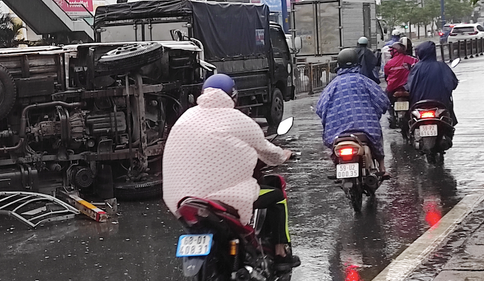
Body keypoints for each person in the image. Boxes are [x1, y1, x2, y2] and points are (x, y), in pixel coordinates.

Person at [162, 73, 299, 269]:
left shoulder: (186, 117)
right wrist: (284, 155)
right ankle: (280, 251)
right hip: (223, 198)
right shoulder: (238, 120)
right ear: (233, 95)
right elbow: (269, 152)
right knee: (277, 196)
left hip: (182, 198)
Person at [315, 48, 391, 176]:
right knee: (377, 137)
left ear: (339, 65)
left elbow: (320, 108)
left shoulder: (332, 86)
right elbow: (383, 101)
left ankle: (337, 167)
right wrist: (375, 113)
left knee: (333, 149)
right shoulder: (364, 81)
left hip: (337, 132)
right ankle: (382, 168)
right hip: (366, 129)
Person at [405, 40, 459, 125]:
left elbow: (409, 86)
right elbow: (452, 83)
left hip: (419, 103)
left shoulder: (416, 68)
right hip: (441, 102)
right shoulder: (442, 66)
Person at [383, 37, 418, 124]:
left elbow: (386, 74)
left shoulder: (389, 63)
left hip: (393, 87)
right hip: (408, 87)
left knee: (386, 99)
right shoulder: (412, 60)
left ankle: (391, 115)